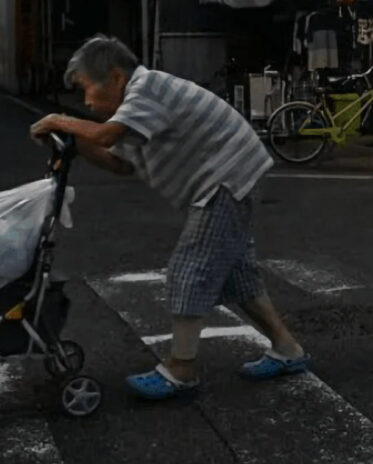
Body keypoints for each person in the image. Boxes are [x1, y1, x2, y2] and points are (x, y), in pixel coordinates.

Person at [30, 35, 309, 400]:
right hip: (229, 177)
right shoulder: (132, 109)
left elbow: (106, 136)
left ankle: (181, 369)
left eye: (87, 89)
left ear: (116, 77)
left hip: (227, 178)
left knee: (189, 267)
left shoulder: (146, 89)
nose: (86, 102)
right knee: (238, 273)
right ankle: (288, 350)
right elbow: (119, 163)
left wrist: (61, 121)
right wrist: (74, 143)